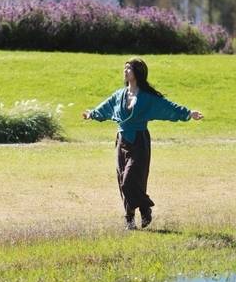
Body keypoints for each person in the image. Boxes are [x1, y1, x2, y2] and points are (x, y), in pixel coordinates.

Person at [83, 59, 203, 230]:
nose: (125, 71)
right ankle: (130, 220)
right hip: (121, 140)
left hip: (139, 140)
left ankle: (145, 207)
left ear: (137, 72)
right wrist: (91, 114)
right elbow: (105, 107)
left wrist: (189, 113)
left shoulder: (147, 97)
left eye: (129, 68)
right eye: (125, 68)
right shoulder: (119, 95)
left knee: (130, 180)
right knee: (122, 179)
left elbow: (167, 106)